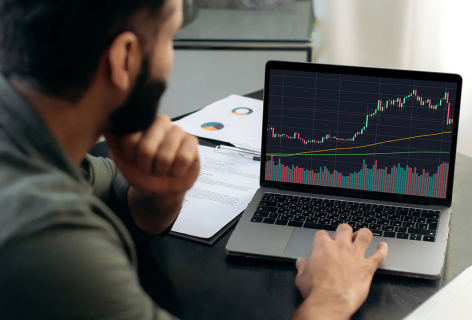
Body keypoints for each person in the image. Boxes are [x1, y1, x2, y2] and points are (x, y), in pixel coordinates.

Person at [0, 0, 388, 319]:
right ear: (124, 58)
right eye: (171, 38)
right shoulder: (45, 242)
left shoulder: (27, 134)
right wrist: (332, 297)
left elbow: (95, 185)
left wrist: (155, 198)